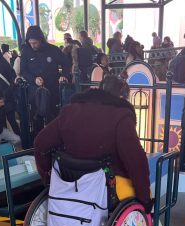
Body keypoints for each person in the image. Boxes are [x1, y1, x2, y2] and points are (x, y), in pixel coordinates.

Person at [34, 74, 151, 209]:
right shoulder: (121, 117)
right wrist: (145, 199)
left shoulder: (70, 111)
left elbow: (40, 143)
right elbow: (136, 160)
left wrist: (47, 177)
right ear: (122, 97)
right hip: (107, 189)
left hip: (70, 184)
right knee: (145, 201)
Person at [20, 25, 69, 129]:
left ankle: (55, 142)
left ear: (41, 40)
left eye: (35, 43)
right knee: (36, 120)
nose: (32, 45)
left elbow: (66, 63)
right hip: (35, 92)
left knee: (54, 119)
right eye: (30, 43)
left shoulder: (53, 50)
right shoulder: (26, 51)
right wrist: (34, 79)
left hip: (52, 90)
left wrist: (64, 75)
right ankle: (38, 142)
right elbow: (23, 71)